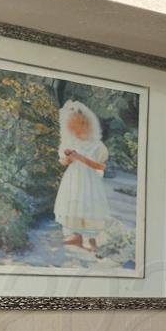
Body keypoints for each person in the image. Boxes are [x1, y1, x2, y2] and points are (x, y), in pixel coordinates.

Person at [54, 99, 110, 253]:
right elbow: (63, 163)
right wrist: (68, 158)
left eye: (78, 125)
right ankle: (76, 235)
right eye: (71, 127)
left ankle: (90, 239)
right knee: (73, 205)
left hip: (89, 181)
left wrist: (80, 158)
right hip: (73, 180)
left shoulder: (97, 145)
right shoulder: (69, 142)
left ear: (87, 124)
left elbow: (100, 167)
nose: (75, 130)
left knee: (88, 206)